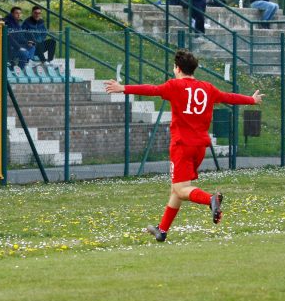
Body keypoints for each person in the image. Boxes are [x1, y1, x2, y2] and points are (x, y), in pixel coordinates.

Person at [104, 49, 264, 242]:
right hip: (199, 147)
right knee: (177, 189)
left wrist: (123, 88)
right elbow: (228, 97)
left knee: (181, 189)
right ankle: (161, 230)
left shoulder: (174, 86)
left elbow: (151, 89)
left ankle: (210, 199)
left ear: (177, 68)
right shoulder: (208, 88)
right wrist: (251, 100)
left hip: (182, 146)